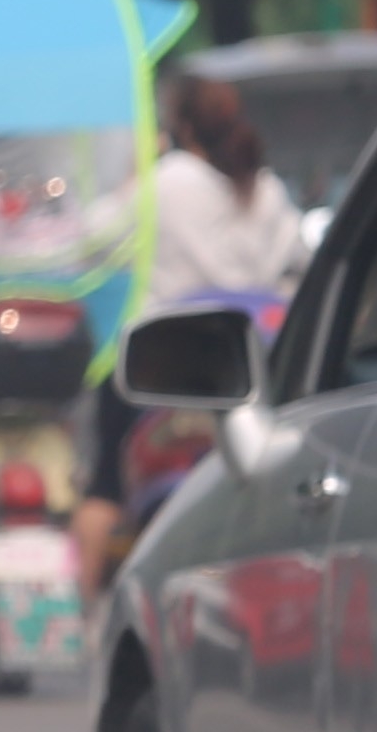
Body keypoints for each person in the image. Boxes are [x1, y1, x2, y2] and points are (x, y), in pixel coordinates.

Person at [79, 74, 309, 583]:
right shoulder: (267, 188)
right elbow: (299, 260)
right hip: (256, 367)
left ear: (182, 127)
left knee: (104, 490)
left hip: (164, 363)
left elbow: (93, 237)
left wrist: (136, 174)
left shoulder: (168, 179)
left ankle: (83, 618)